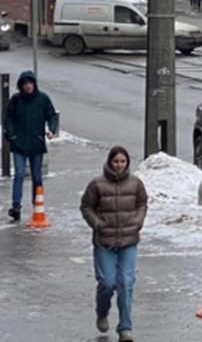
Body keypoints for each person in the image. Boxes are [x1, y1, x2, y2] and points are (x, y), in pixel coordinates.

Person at [80, 145, 147, 342]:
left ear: (127, 163)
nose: (119, 165)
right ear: (110, 162)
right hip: (105, 242)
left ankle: (125, 328)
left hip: (128, 241)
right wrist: (97, 224)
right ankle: (102, 312)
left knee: (126, 283)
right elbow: (86, 206)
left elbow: (142, 203)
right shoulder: (97, 184)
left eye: (123, 162)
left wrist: (138, 221)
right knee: (107, 283)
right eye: (116, 162)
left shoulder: (136, 184)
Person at [4, 71, 59, 222]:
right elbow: (8, 119)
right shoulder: (16, 100)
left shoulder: (42, 99)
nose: (28, 86)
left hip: (36, 143)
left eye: (30, 83)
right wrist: (11, 135)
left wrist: (51, 130)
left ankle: (37, 204)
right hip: (19, 144)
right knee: (19, 174)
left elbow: (52, 115)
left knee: (37, 176)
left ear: (34, 84)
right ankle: (16, 206)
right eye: (25, 83)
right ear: (21, 85)